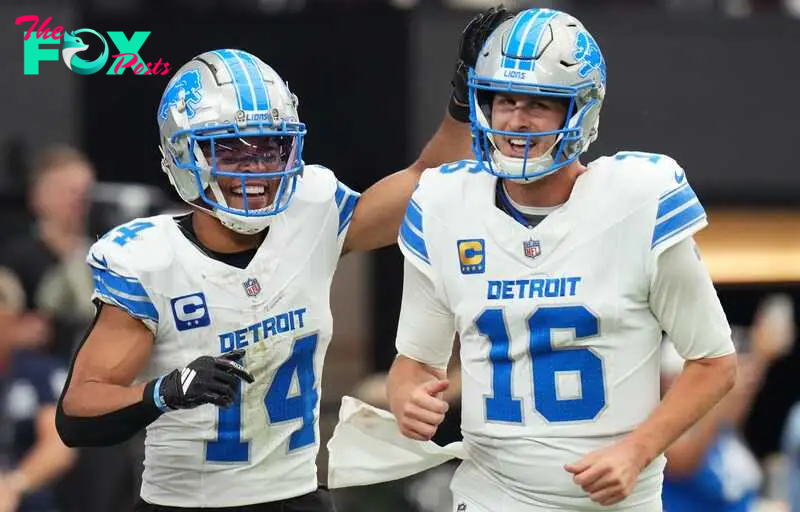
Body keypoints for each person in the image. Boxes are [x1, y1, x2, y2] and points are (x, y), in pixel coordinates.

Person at [55, 46, 475, 512]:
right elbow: (77, 413)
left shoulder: (310, 214)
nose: (256, 169)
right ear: (182, 151)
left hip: (296, 497)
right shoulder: (151, 261)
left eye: (269, 147)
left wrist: (460, 106)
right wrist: (162, 391)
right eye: (231, 151)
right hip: (186, 505)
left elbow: (428, 180)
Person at [384, 7, 738, 511]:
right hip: (489, 496)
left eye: (540, 103)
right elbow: (415, 362)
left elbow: (715, 363)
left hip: (614, 502)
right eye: (504, 100)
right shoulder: (443, 204)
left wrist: (637, 450)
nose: (516, 120)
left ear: (582, 109)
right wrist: (406, 395)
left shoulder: (639, 200)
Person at [0, 267, 75, 512]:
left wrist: (13, 485)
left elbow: (58, 445)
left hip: (24, 498)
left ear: (13, 319)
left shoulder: (39, 372)